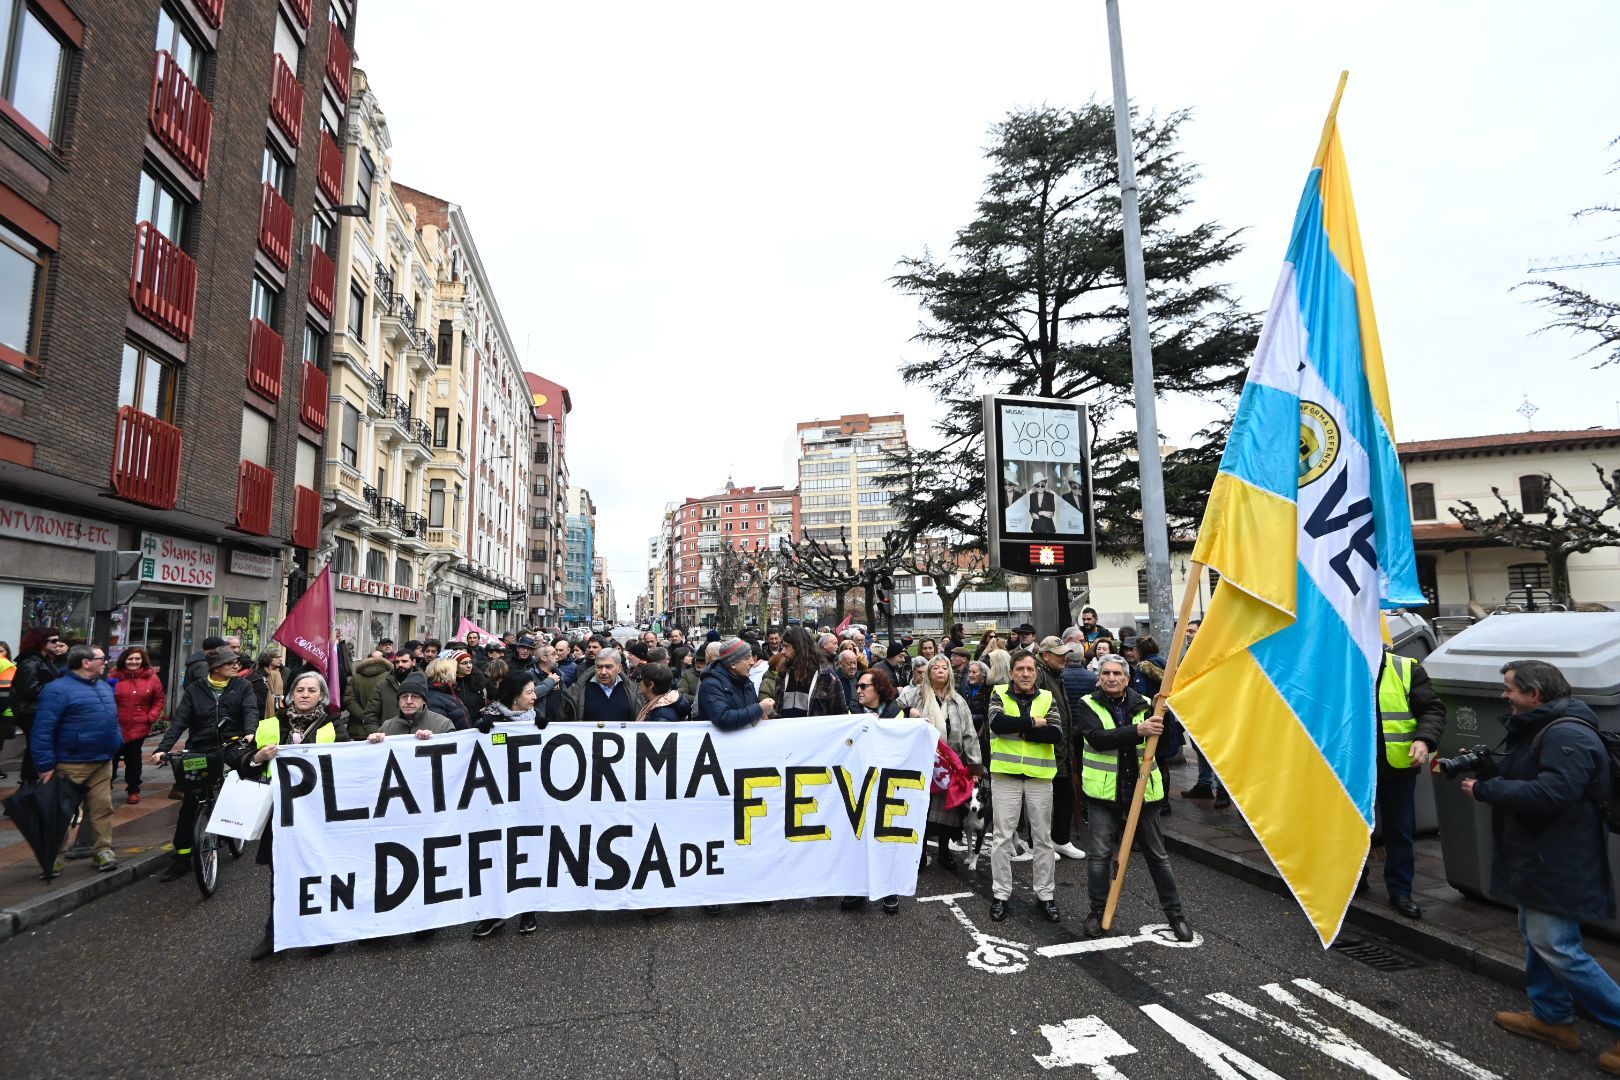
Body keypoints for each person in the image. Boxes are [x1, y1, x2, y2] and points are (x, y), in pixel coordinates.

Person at [1460, 660, 1620, 1071]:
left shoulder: (1566, 734)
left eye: (1510, 689)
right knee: (1536, 935)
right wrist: (1489, 770)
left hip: (1560, 857)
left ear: (1534, 694)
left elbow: (1554, 793)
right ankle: (1551, 1018)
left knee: (1557, 945)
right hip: (1539, 853)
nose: (1504, 696)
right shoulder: (1542, 727)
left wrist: (1487, 789)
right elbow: (1532, 777)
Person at [1078, 656, 1193, 942]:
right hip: (1104, 794)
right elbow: (1097, 738)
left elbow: (1165, 746)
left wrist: (1166, 717)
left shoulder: (1145, 703)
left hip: (1143, 794)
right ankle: (1098, 912)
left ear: (1127, 678)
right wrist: (1138, 731)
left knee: (1158, 856)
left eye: (1117, 673)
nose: (1111, 678)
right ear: (1099, 677)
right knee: (1099, 857)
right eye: (1106, 673)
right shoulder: (1087, 704)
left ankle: (1175, 914)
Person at [242, 670, 346, 961]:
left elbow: (350, 760)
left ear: (322, 696)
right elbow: (243, 762)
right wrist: (257, 757)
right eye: (300, 689)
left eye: (312, 690)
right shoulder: (271, 725)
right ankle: (274, 934)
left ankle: (319, 932)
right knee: (281, 875)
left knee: (318, 873)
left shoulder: (334, 725)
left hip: (319, 815)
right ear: (291, 695)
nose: (305, 695)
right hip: (282, 816)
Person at [152, 645, 260, 881]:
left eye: (236, 662)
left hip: (232, 743)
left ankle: (236, 821)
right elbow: (179, 722)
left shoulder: (242, 686)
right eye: (231, 663)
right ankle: (182, 856)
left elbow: (250, 710)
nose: (236, 666)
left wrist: (250, 731)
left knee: (243, 773)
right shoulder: (195, 689)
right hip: (200, 748)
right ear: (216, 667)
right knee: (191, 800)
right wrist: (162, 749)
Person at [469, 670, 547, 939]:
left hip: (529, 799)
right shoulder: (491, 718)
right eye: (529, 692)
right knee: (497, 854)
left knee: (527, 851)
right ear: (514, 697)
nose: (534, 697)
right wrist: (481, 731)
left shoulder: (536, 718)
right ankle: (495, 912)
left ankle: (528, 910)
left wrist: (547, 730)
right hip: (496, 800)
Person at [32, 644, 122, 872]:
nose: (105, 662)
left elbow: (112, 718)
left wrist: (116, 740)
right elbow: (43, 729)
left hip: (102, 759)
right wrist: (44, 764)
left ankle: (103, 850)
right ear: (85, 662)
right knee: (61, 811)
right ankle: (54, 856)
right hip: (71, 762)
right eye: (102, 658)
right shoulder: (57, 690)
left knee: (102, 808)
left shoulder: (103, 686)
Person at [987, 650, 1062, 923]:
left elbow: (1055, 733)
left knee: (1043, 839)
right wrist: (1032, 724)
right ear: (1011, 672)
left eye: (1030, 669)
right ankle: (1000, 895)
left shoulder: (1047, 697)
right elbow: (997, 724)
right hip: (1005, 776)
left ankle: (1045, 895)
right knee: (1002, 838)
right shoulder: (998, 693)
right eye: (1020, 669)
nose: (1026, 674)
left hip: (1039, 777)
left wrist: (1018, 730)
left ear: (1036, 673)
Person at [1374, 647, 1447, 920]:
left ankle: (1400, 891)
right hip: (1351, 765)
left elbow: (1432, 709)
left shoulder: (1405, 668)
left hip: (1396, 765)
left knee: (1400, 830)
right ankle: (1354, 883)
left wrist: (1424, 739)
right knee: (1351, 828)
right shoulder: (1339, 665)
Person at [899, 655, 984, 868]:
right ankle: (919, 853)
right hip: (922, 763)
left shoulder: (958, 701)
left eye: (944, 668)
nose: (940, 671)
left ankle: (944, 852)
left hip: (950, 764)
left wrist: (975, 768)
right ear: (928, 672)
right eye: (935, 667)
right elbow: (893, 708)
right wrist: (908, 711)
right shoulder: (915, 695)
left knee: (948, 812)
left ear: (949, 673)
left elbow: (969, 734)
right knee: (921, 810)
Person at [843, 665, 904, 914]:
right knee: (856, 837)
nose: (858, 690)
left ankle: (889, 890)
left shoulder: (897, 714)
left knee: (885, 836)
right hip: (857, 783)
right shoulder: (850, 712)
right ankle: (856, 889)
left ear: (878, 688)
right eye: (857, 686)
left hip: (885, 784)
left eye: (863, 686)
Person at [1035, 637, 1086, 862]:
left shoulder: (1055, 674)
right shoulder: (1040, 675)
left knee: (1066, 795)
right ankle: (1041, 843)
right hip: (1047, 749)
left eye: (1065, 653)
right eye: (1059, 654)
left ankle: (1061, 839)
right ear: (1046, 655)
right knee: (1043, 801)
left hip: (1063, 749)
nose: (1064, 657)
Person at [11, 627, 66, 785]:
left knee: (36, 747)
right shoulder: (31, 662)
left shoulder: (43, 659)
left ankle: (31, 782)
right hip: (31, 712)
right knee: (36, 747)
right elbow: (31, 689)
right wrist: (56, 689)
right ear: (40, 641)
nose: (57, 644)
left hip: (38, 710)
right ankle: (29, 783)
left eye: (58, 640)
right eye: (53, 641)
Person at [112, 646, 163, 805]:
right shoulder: (113, 676)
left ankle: (133, 789)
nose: (133, 662)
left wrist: (151, 717)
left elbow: (158, 699)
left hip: (138, 724)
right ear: (124, 660)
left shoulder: (152, 677)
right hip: (115, 725)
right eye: (130, 659)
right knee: (111, 757)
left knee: (133, 758)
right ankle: (106, 786)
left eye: (137, 659)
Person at [697, 638, 773, 731]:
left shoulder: (745, 681)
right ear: (732, 664)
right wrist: (759, 709)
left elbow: (751, 711)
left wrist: (761, 715)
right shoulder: (711, 684)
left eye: (751, 656)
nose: (752, 662)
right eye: (747, 658)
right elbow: (723, 718)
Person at [770, 627, 847, 718]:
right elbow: (778, 709)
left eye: (786, 646)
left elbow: (840, 717)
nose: (783, 651)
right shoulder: (782, 674)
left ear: (799, 648)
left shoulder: (827, 677)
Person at [560, 649, 645, 724]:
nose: (603, 672)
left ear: (619, 668)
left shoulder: (635, 692)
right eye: (599, 667)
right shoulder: (577, 692)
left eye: (608, 667)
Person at [374, 673, 457, 736]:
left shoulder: (443, 725)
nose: (408, 701)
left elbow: (453, 751)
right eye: (404, 696)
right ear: (398, 700)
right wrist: (373, 742)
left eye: (415, 696)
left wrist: (434, 740)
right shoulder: (387, 727)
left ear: (424, 701)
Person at [344, 649, 393, 739]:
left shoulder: (356, 678)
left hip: (359, 729)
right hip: (384, 728)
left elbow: (348, 700)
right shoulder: (391, 677)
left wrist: (363, 717)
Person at [362, 651, 415, 735]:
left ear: (413, 662)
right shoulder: (383, 685)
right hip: (387, 737)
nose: (400, 665)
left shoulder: (422, 684)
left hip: (415, 737)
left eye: (404, 661)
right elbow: (371, 714)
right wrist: (377, 733)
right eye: (397, 662)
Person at [423, 657, 470, 729]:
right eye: (455, 671)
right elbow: (438, 728)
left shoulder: (447, 692)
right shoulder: (433, 699)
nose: (456, 674)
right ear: (447, 673)